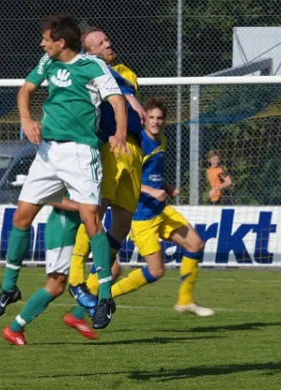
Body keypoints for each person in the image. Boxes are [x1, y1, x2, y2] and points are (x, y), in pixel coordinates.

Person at [0, 13, 128, 344]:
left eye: (46, 38)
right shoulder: (46, 62)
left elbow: (117, 102)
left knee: (91, 217)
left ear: (61, 42)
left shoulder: (93, 68)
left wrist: (120, 132)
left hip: (81, 153)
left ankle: (104, 295)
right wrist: (26, 119)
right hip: (48, 152)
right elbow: (25, 91)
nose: (42, 43)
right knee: (22, 214)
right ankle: (9, 286)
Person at [67, 98, 215, 325]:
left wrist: (165, 187)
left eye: (160, 118)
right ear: (143, 119)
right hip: (141, 215)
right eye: (152, 118)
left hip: (161, 210)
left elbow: (149, 174)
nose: (155, 122)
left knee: (195, 244)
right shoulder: (138, 142)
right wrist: (151, 191)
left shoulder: (162, 140)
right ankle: (100, 298)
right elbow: (132, 177)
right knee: (156, 271)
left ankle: (185, 300)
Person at [66, 27, 146, 310]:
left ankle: (91, 282)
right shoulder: (87, 69)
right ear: (89, 52)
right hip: (109, 147)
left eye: (107, 39)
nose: (108, 43)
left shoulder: (127, 72)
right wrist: (128, 96)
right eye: (100, 43)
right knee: (95, 213)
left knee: (122, 224)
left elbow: (124, 89)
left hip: (133, 151)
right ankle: (75, 277)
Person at [1, 196, 99, 345]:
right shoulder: (65, 173)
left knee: (112, 267)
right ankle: (14, 329)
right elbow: (52, 197)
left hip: (85, 226)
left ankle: (78, 315)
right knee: (56, 285)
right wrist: (81, 208)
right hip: (64, 231)